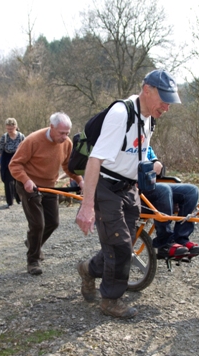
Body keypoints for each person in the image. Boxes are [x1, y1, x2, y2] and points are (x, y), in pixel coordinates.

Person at [75, 69, 182, 319]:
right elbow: (95, 160)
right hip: (107, 187)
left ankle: (88, 269)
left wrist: (150, 170)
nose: (166, 107)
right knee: (120, 245)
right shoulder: (121, 113)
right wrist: (87, 206)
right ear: (147, 90)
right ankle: (111, 300)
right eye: (163, 99)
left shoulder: (149, 119)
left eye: (170, 101)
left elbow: (139, 154)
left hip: (129, 188)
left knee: (121, 244)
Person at [9, 112, 83, 276]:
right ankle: (33, 260)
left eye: (67, 133)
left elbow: (68, 166)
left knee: (53, 222)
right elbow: (14, 165)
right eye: (61, 133)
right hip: (29, 185)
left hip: (49, 186)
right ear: (51, 127)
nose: (64, 137)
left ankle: (32, 243)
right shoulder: (33, 140)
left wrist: (80, 181)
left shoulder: (66, 143)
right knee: (37, 224)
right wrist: (26, 180)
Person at [143, 146, 199, 258]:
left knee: (191, 191)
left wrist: (156, 162)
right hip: (131, 186)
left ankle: (181, 239)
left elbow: (150, 154)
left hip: (149, 182)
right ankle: (165, 243)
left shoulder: (143, 136)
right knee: (163, 190)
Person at [0, 118, 25, 209]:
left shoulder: (21, 137)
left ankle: (20, 200)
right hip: (7, 159)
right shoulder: (4, 137)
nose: (9, 131)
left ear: (16, 127)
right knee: (8, 181)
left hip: (18, 159)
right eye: (8, 129)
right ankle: (9, 202)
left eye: (11, 129)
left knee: (19, 180)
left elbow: (26, 150)